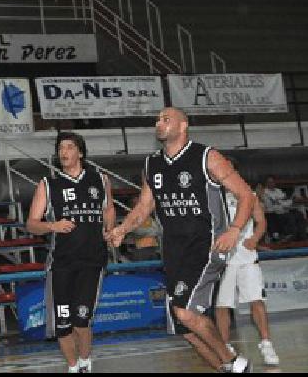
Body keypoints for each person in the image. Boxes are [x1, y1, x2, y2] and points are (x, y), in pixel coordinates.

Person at [108, 107, 255, 373]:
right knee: (184, 328)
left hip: (207, 244)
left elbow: (247, 195)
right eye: (157, 120)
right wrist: (122, 228)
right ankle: (226, 369)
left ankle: (235, 363)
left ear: (183, 125)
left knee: (186, 312)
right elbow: (144, 206)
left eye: (166, 119)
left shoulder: (207, 156)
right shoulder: (152, 163)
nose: (159, 124)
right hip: (174, 249)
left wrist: (234, 229)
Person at [26, 132, 115, 373]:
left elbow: (108, 209)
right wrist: (52, 226)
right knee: (63, 325)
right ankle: (73, 366)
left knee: (82, 319)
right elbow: (31, 223)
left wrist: (111, 229)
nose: (64, 152)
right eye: (60, 148)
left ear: (80, 152)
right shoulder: (48, 184)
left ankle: (85, 362)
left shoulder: (100, 179)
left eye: (69, 147)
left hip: (92, 261)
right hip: (61, 264)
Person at [215, 172, 280, 366]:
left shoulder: (249, 195)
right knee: (222, 305)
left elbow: (261, 222)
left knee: (257, 301)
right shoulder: (213, 196)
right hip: (222, 259)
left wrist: (255, 238)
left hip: (246, 258)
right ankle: (225, 347)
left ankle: (266, 343)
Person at [260, 176, 308, 242]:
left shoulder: (278, 191)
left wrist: (289, 201)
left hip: (284, 209)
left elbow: (285, 201)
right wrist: (285, 202)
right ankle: (289, 236)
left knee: (299, 214)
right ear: (266, 183)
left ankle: (301, 237)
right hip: (274, 212)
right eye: (269, 182)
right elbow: (273, 205)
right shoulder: (265, 193)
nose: (271, 183)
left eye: (272, 182)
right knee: (290, 217)